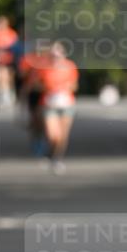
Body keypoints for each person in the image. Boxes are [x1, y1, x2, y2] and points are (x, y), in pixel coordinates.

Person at [34, 41, 79, 173]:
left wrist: (65, 87)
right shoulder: (44, 68)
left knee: (62, 136)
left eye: (58, 54)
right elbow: (36, 86)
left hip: (66, 103)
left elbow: (75, 86)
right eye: (53, 55)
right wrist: (48, 88)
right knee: (53, 135)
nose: (55, 57)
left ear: (63, 54)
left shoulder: (70, 66)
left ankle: (57, 159)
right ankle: (51, 153)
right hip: (49, 104)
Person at [0, 15, 19, 105]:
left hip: (10, 59)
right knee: (0, 76)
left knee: (10, 77)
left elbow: (15, 47)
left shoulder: (11, 34)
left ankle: (10, 95)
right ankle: (2, 96)